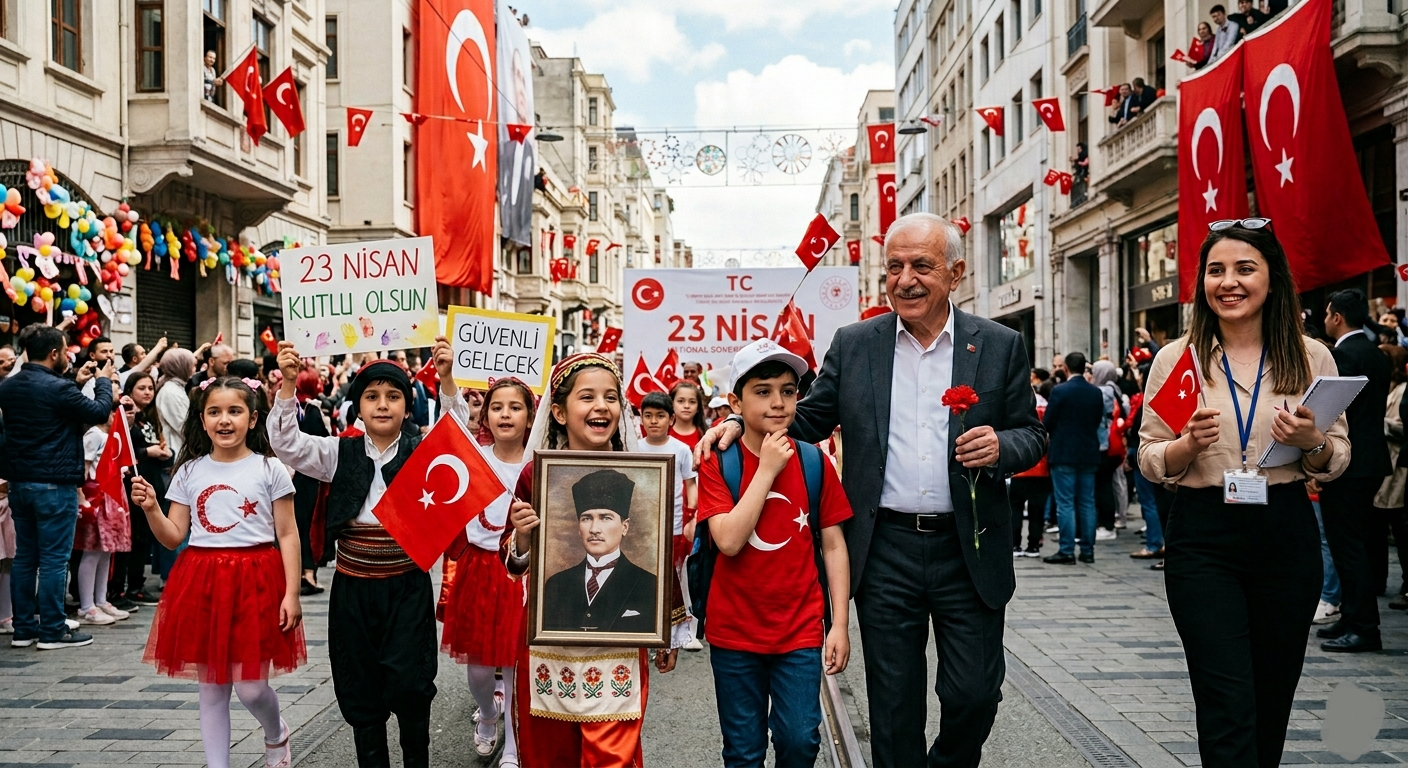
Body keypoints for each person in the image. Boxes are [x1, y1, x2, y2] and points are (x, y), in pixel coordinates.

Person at [698, 212, 1045, 767]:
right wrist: (741, 425)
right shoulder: (856, 344)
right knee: (892, 703)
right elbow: (805, 417)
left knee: (974, 694)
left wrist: (1004, 447)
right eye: (894, 267)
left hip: (968, 547)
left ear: (955, 273)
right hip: (884, 548)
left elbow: (1032, 432)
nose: (904, 279)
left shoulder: (999, 345)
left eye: (921, 266)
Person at [1138, 219, 1348, 767]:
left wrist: (1312, 441)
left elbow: (1338, 460)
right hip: (1204, 536)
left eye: (1244, 269)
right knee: (1226, 700)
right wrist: (1185, 447)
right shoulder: (1177, 359)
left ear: (1272, 280)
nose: (1228, 282)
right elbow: (1150, 457)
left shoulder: (1311, 357)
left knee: (1272, 698)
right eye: (1215, 270)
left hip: (1284, 530)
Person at [269, 341, 459, 768]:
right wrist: (287, 383)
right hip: (353, 590)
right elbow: (286, 444)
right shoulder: (339, 451)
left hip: (407, 589)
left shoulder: (422, 449)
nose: (383, 405)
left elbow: (456, 437)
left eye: (393, 396)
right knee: (360, 687)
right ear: (358, 405)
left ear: (407, 407)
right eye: (372, 396)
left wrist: (446, 378)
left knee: (412, 687)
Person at [505, 353, 680, 767]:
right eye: (588, 397)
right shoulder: (535, 476)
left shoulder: (644, 472)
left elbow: (657, 552)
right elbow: (513, 562)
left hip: (619, 645)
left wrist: (668, 625)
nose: (602, 406)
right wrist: (522, 536)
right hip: (548, 644)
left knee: (613, 758)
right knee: (551, 754)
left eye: (611, 397)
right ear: (560, 412)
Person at [131, 377, 303, 768]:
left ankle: (276, 732)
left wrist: (291, 592)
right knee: (211, 688)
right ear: (203, 420)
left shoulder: (270, 468)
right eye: (214, 412)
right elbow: (173, 537)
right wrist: (152, 508)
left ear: (253, 418)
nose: (224, 420)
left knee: (252, 688)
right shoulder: (190, 471)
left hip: (256, 580)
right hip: (203, 580)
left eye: (234, 411)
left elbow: (288, 533)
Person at [695, 339, 852, 767]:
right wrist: (766, 470)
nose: (778, 403)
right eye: (762, 392)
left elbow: (834, 544)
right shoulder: (718, 461)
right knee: (743, 751)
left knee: (800, 739)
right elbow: (727, 540)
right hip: (734, 632)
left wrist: (839, 624)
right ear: (735, 401)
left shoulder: (815, 462)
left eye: (788, 391)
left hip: (799, 630)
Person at [440, 377, 535, 765]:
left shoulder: (539, 464)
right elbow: (447, 430)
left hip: (522, 574)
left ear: (530, 415)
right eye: (497, 407)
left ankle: (512, 747)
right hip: (478, 571)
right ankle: (489, 711)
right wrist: (447, 379)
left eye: (515, 407)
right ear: (485, 414)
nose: (505, 414)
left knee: (514, 667)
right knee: (480, 671)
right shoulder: (473, 458)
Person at [0, 325, 112, 649]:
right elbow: (99, 411)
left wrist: (75, 379)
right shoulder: (58, 390)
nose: (67, 355)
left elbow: (50, 402)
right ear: (54, 354)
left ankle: (24, 629)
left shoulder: (8, 386)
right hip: (54, 483)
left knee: (25, 558)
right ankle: (51, 629)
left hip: (21, 483)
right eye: (65, 351)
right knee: (52, 560)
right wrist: (102, 381)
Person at [1317, 288, 1392, 653]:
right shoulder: (1375, 354)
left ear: (1336, 317)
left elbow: (1329, 411)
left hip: (1350, 464)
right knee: (1356, 543)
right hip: (1372, 461)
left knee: (1348, 547)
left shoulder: (1342, 355)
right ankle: (1351, 618)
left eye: (1328, 313)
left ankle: (1363, 626)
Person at [541, 469, 659, 633]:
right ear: (578, 527)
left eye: (605, 518)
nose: (594, 529)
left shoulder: (649, 585)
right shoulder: (557, 584)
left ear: (625, 527)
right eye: (586, 518)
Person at [637, 391, 701, 648]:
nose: (654, 421)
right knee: (644, 577)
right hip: (642, 527)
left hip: (673, 525)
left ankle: (678, 634)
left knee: (675, 577)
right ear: (640, 419)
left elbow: (691, 484)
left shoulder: (681, 449)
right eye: (648, 416)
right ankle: (646, 629)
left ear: (671, 419)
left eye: (660, 416)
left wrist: (692, 515)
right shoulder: (635, 448)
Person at [74, 393, 132, 626]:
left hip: (112, 494)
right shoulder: (94, 435)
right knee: (92, 550)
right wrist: (83, 499)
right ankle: (87, 605)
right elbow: (85, 468)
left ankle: (101, 598)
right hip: (97, 495)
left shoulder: (111, 436)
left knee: (107, 550)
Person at [1042, 352, 1105, 565]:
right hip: (1088, 452)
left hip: (1063, 451)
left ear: (1066, 368)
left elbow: (1048, 422)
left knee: (1065, 503)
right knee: (1087, 502)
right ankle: (1087, 550)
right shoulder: (1095, 392)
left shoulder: (1060, 391)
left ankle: (1067, 550)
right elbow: (1097, 420)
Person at [114, 372, 170, 607]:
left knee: (143, 538)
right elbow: (119, 450)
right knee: (134, 538)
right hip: (130, 486)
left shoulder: (149, 417)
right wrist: (149, 452)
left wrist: (163, 451)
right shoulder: (123, 414)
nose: (147, 392)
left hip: (152, 481)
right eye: (141, 388)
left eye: (150, 387)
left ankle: (137, 584)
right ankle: (123, 589)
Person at [289, 367, 329, 596]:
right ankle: (308, 573)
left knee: (294, 525)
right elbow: (322, 441)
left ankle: (298, 573)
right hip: (308, 475)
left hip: (290, 473)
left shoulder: (289, 407)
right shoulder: (311, 410)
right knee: (308, 525)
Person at [1373, 344, 1408, 606]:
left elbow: (1399, 426)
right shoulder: (1389, 388)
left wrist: (1376, 420)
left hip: (1398, 464)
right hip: (1388, 462)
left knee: (1398, 522)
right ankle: (1378, 578)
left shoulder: (1402, 390)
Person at [1091, 360, 1130, 540]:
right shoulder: (1115, 389)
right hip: (1113, 443)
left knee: (1103, 485)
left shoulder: (1103, 391)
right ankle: (1112, 520)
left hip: (1103, 443)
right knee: (1110, 483)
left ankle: (1106, 525)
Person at [156, 349, 197, 462]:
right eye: (192, 365)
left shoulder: (177, 388)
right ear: (181, 366)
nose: (194, 370)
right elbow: (184, 426)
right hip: (177, 453)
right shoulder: (171, 392)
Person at [668, 381, 709, 451]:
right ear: (672, 404)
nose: (686, 406)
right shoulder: (664, 433)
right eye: (681, 401)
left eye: (692, 402)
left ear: (698, 407)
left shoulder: (706, 435)